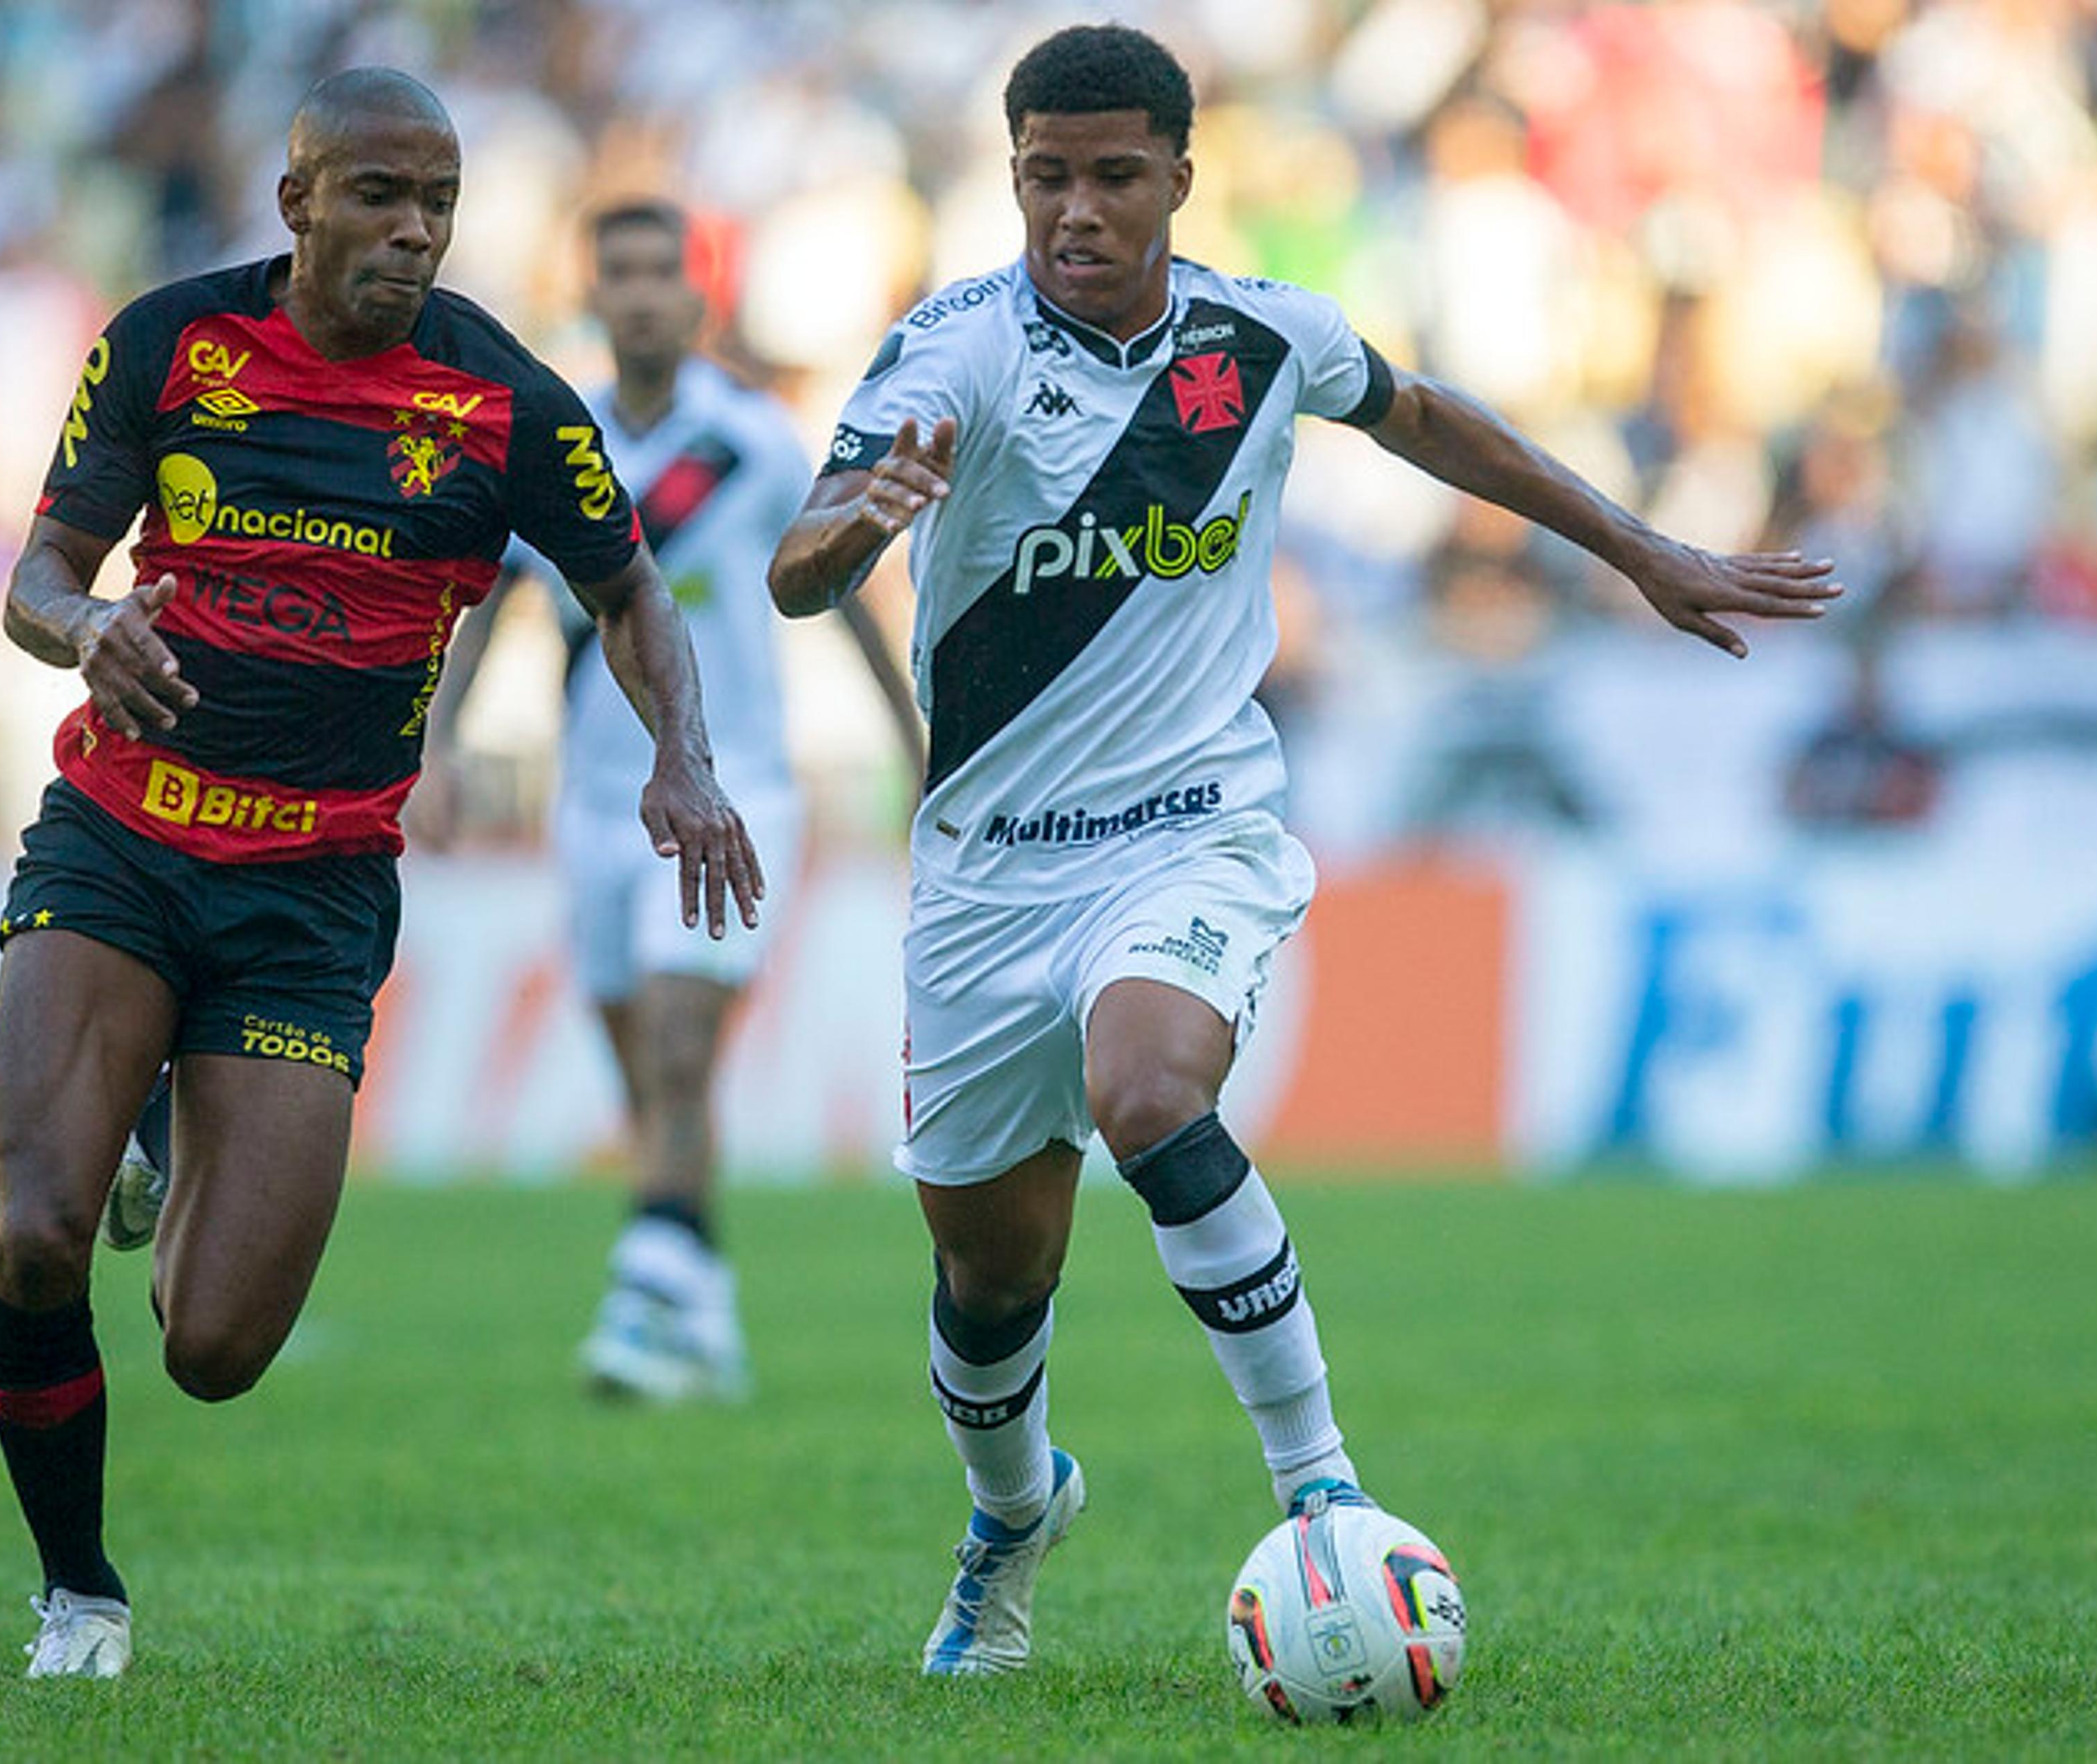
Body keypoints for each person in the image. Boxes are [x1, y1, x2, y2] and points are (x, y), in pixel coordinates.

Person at [767, 23, 1838, 1677]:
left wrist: (1636, 547)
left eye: (1115, 176)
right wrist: (845, 534)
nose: (1076, 211)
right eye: (1046, 177)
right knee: (993, 1283)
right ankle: (1011, 1521)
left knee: (1150, 1094)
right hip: (987, 871)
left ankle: (1324, 1493)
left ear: (1182, 180)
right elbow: (800, 564)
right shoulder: (953, 354)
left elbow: (1421, 415)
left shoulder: (1262, 338)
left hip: (1189, 832)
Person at [0, 68, 762, 1680]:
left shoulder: (512, 406)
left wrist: (683, 759)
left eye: (439, 204)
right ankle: (79, 1592)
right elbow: (42, 573)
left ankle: (162, 1108)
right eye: (380, 198)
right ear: (298, 203)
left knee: (213, 1351)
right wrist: (85, 626)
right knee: (39, 1228)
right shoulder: (168, 342)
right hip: (121, 839)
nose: (413, 233)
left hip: (310, 897)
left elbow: (632, 595)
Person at [410, 198, 924, 1401]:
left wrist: (917, 747)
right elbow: (491, 611)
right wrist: (435, 746)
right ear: (593, 294)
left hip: (735, 791)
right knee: (647, 1075)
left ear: (698, 300)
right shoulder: (552, 438)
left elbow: (847, 602)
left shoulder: (753, 443)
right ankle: (704, 1305)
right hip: (593, 807)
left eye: (662, 272)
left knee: (683, 1045)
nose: (641, 293)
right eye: (619, 271)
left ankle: (643, 1308)